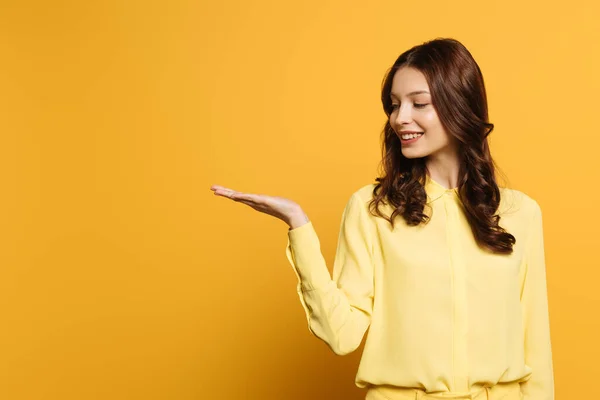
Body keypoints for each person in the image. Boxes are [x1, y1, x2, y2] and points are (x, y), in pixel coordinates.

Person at [210, 37, 554, 400]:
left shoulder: (519, 214)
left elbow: (536, 345)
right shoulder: (372, 210)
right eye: (394, 105)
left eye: (418, 103)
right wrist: (298, 225)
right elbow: (341, 334)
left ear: (460, 106)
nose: (399, 118)